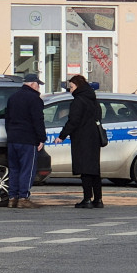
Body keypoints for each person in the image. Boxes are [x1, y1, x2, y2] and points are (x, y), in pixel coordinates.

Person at [55, 74, 103, 208]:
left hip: (82, 138)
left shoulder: (78, 101)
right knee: (94, 169)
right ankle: (98, 199)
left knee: (85, 169)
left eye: (71, 87)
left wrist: (62, 135)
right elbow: (99, 116)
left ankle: (87, 199)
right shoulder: (93, 99)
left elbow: (73, 121)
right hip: (94, 137)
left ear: (78, 86)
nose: (70, 90)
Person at [4, 72, 45, 208]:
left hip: (12, 139)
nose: (39, 88)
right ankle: (23, 198)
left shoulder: (13, 97)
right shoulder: (34, 99)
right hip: (28, 139)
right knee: (27, 169)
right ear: (33, 84)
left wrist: (10, 134)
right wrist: (41, 138)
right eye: (38, 85)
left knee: (14, 169)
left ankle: (12, 198)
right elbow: (38, 120)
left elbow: (7, 119)